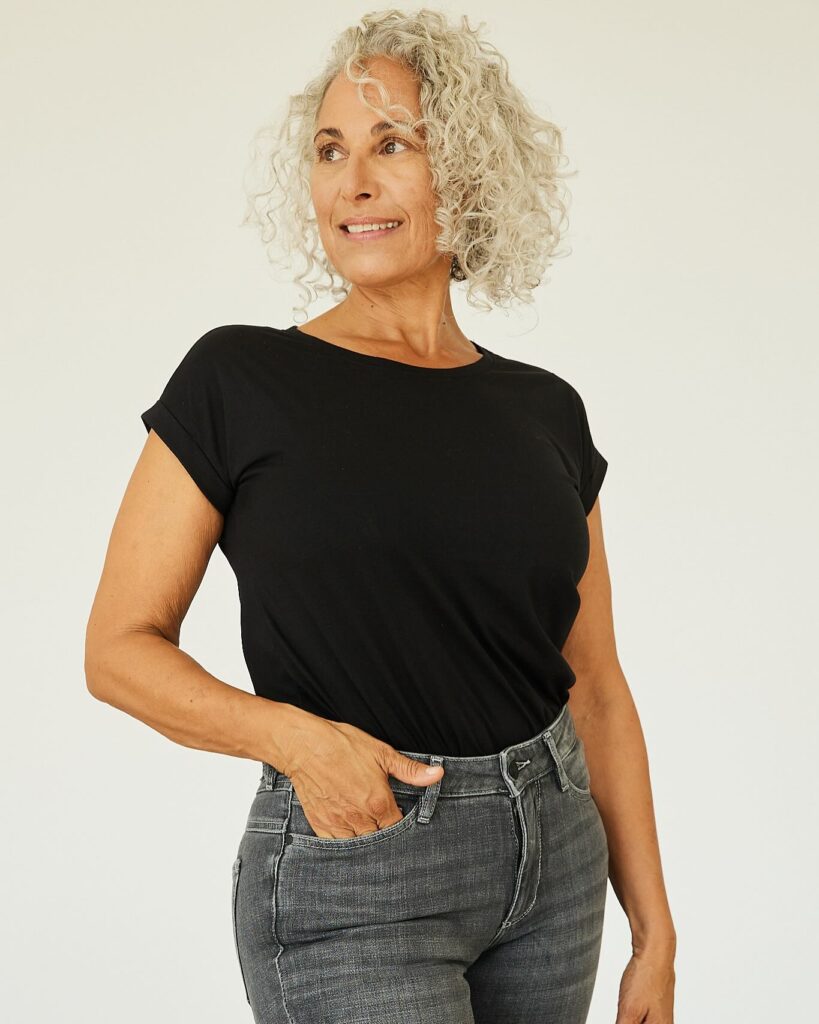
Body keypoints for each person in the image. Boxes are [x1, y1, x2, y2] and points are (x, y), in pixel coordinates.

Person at [85, 9, 676, 1024]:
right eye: (330, 150)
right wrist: (297, 743)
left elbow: (597, 688)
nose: (350, 182)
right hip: (356, 864)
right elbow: (117, 650)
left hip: (557, 862)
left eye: (391, 144)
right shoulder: (240, 379)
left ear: (469, 174)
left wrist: (654, 933)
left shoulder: (545, 410)